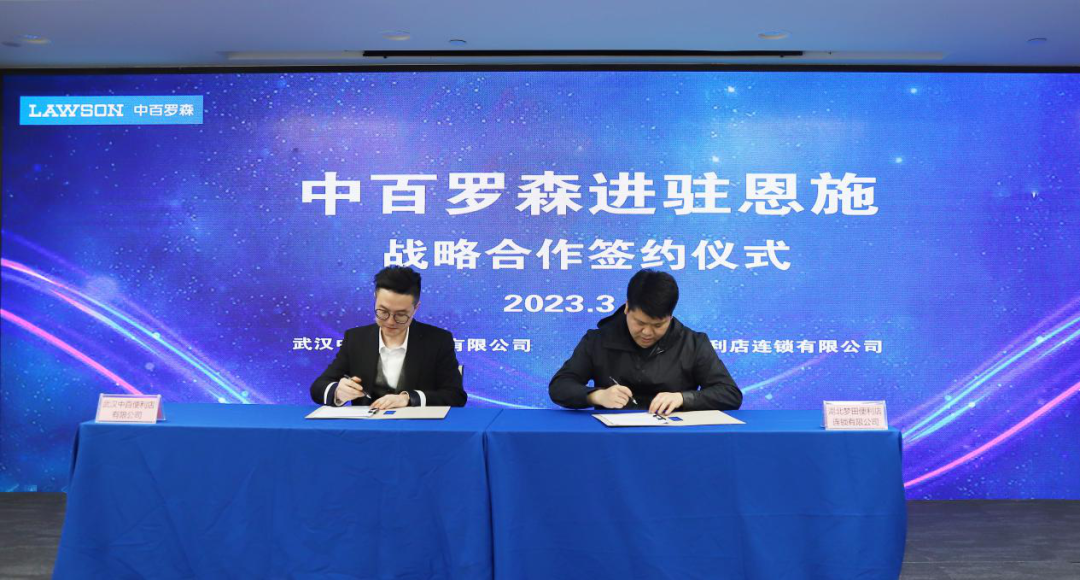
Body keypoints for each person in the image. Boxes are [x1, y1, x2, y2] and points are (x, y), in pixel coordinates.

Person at [549, 269, 741, 414]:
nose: (647, 332)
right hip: (611, 439)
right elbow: (560, 386)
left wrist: (683, 398)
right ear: (627, 308)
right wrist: (597, 395)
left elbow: (729, 394)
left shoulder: (693, 343)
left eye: (658, 325)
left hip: (674, 437)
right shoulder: (598, 340)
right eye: (640, 323)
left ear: (670, 316)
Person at [309, 266, 467, 409]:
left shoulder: (438, 340)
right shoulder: (356, 339)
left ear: (416, 308)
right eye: (383, 311)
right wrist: (338, 392)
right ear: (375, 299)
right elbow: (318, 387)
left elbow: (456, 395)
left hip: (417, 427)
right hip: (367, 428)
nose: (390, 322)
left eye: (401, 315)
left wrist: (409, 399)